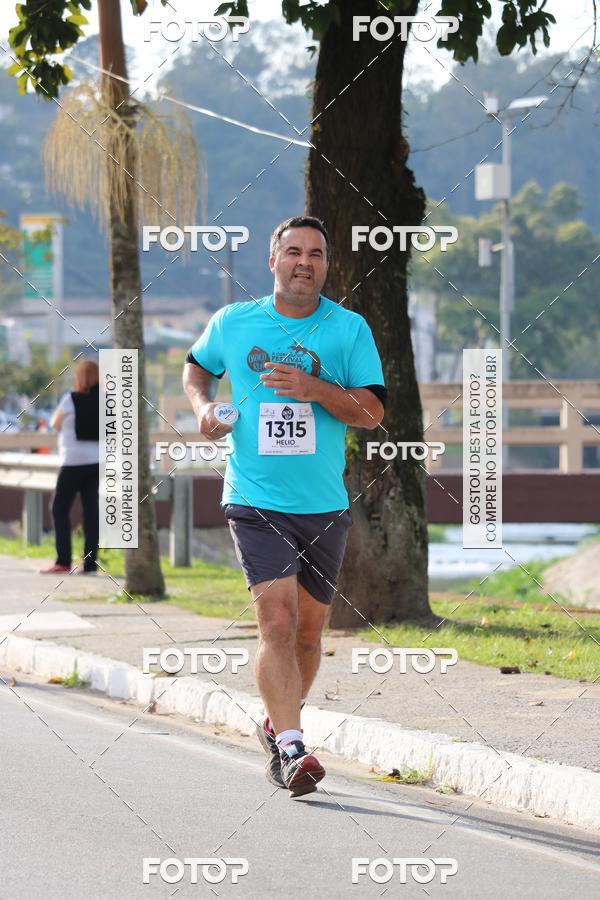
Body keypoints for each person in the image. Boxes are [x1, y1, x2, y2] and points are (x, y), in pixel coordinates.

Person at [183, 216, 386, 797]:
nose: (304, 262)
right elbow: (197, 367)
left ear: (326, 265)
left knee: (308, 635)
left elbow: (372, 412)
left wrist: (314, 388)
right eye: (293, 252)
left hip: (323, 504)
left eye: (315, 254)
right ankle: (293, 750)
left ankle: (277, 724)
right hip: (255, 497)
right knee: (277, 620)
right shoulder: (234, 321)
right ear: (272, 261)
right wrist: (203, 408)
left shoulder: (348, 329)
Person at [40, 358, 100, 576]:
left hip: (73, 462)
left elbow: (54, 423)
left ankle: (63, 561)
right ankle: (90, 565)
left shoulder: (70, 399)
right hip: (96, 462)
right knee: (91, 512)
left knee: (59, 508)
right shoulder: (107, 402)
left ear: (79, 377)